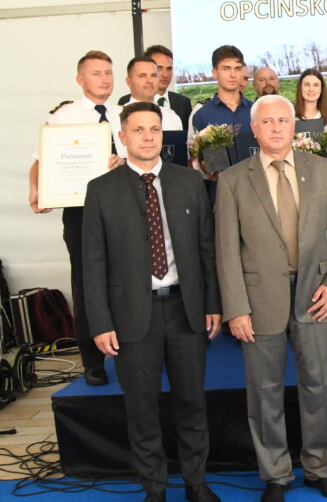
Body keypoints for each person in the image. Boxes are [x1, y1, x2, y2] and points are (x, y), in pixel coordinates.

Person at [215, 95, 327, 502]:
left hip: (314, 295)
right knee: (264, 392)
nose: (276, 127)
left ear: (295, 126)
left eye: (283, 120)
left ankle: (321, 468)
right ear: (253, 129)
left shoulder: (320, 169)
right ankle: (276, 475)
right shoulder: (233, 180)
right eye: (267, 121)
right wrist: (236, 308)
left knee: (319, 387)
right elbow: (226, 252)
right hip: (258, 302)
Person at [83, 102, 221, 502]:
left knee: (192, 403)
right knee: (141, 408)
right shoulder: (101, 190)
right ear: (122, 137)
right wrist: (100, 323)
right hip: (130, 316)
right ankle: (155, 488)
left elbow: (207, 250)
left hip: (186, 310)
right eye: (138, 130)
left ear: (163, 134)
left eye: (154, 129)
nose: (148, 137)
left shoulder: (189, 181)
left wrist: (213, 304)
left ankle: (196, 483)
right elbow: (93, 265)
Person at [28, 50, 126, 386]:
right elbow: (40, 160)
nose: (105, 79)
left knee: (127, 281)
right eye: (96, 73)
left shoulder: (124, 114)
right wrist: (36, 190)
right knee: (87, 284)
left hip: (123, 209)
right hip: (81, 212)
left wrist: (122, 162)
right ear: (80, 79)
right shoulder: (65, 115)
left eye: (108, 72)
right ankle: (92, 361)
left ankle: (130, 353)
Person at [119, 45, 193, 132]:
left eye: (153, 75)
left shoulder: (171, 116)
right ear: (129, 81)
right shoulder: (117, 115)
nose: (149, 80)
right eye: (142, 76)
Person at [189, 45, 252, 145]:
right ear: (215, 73)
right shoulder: (201, 115)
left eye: (238, 69)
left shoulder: (256, 110)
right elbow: (197, 152)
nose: (233, 75)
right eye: (226, 69)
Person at [294, 68, 327, 139]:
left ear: (321, 89)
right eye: (306, 84)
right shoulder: (291, 117)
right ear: (300, 87)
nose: (311, 89)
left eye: (316, 85)